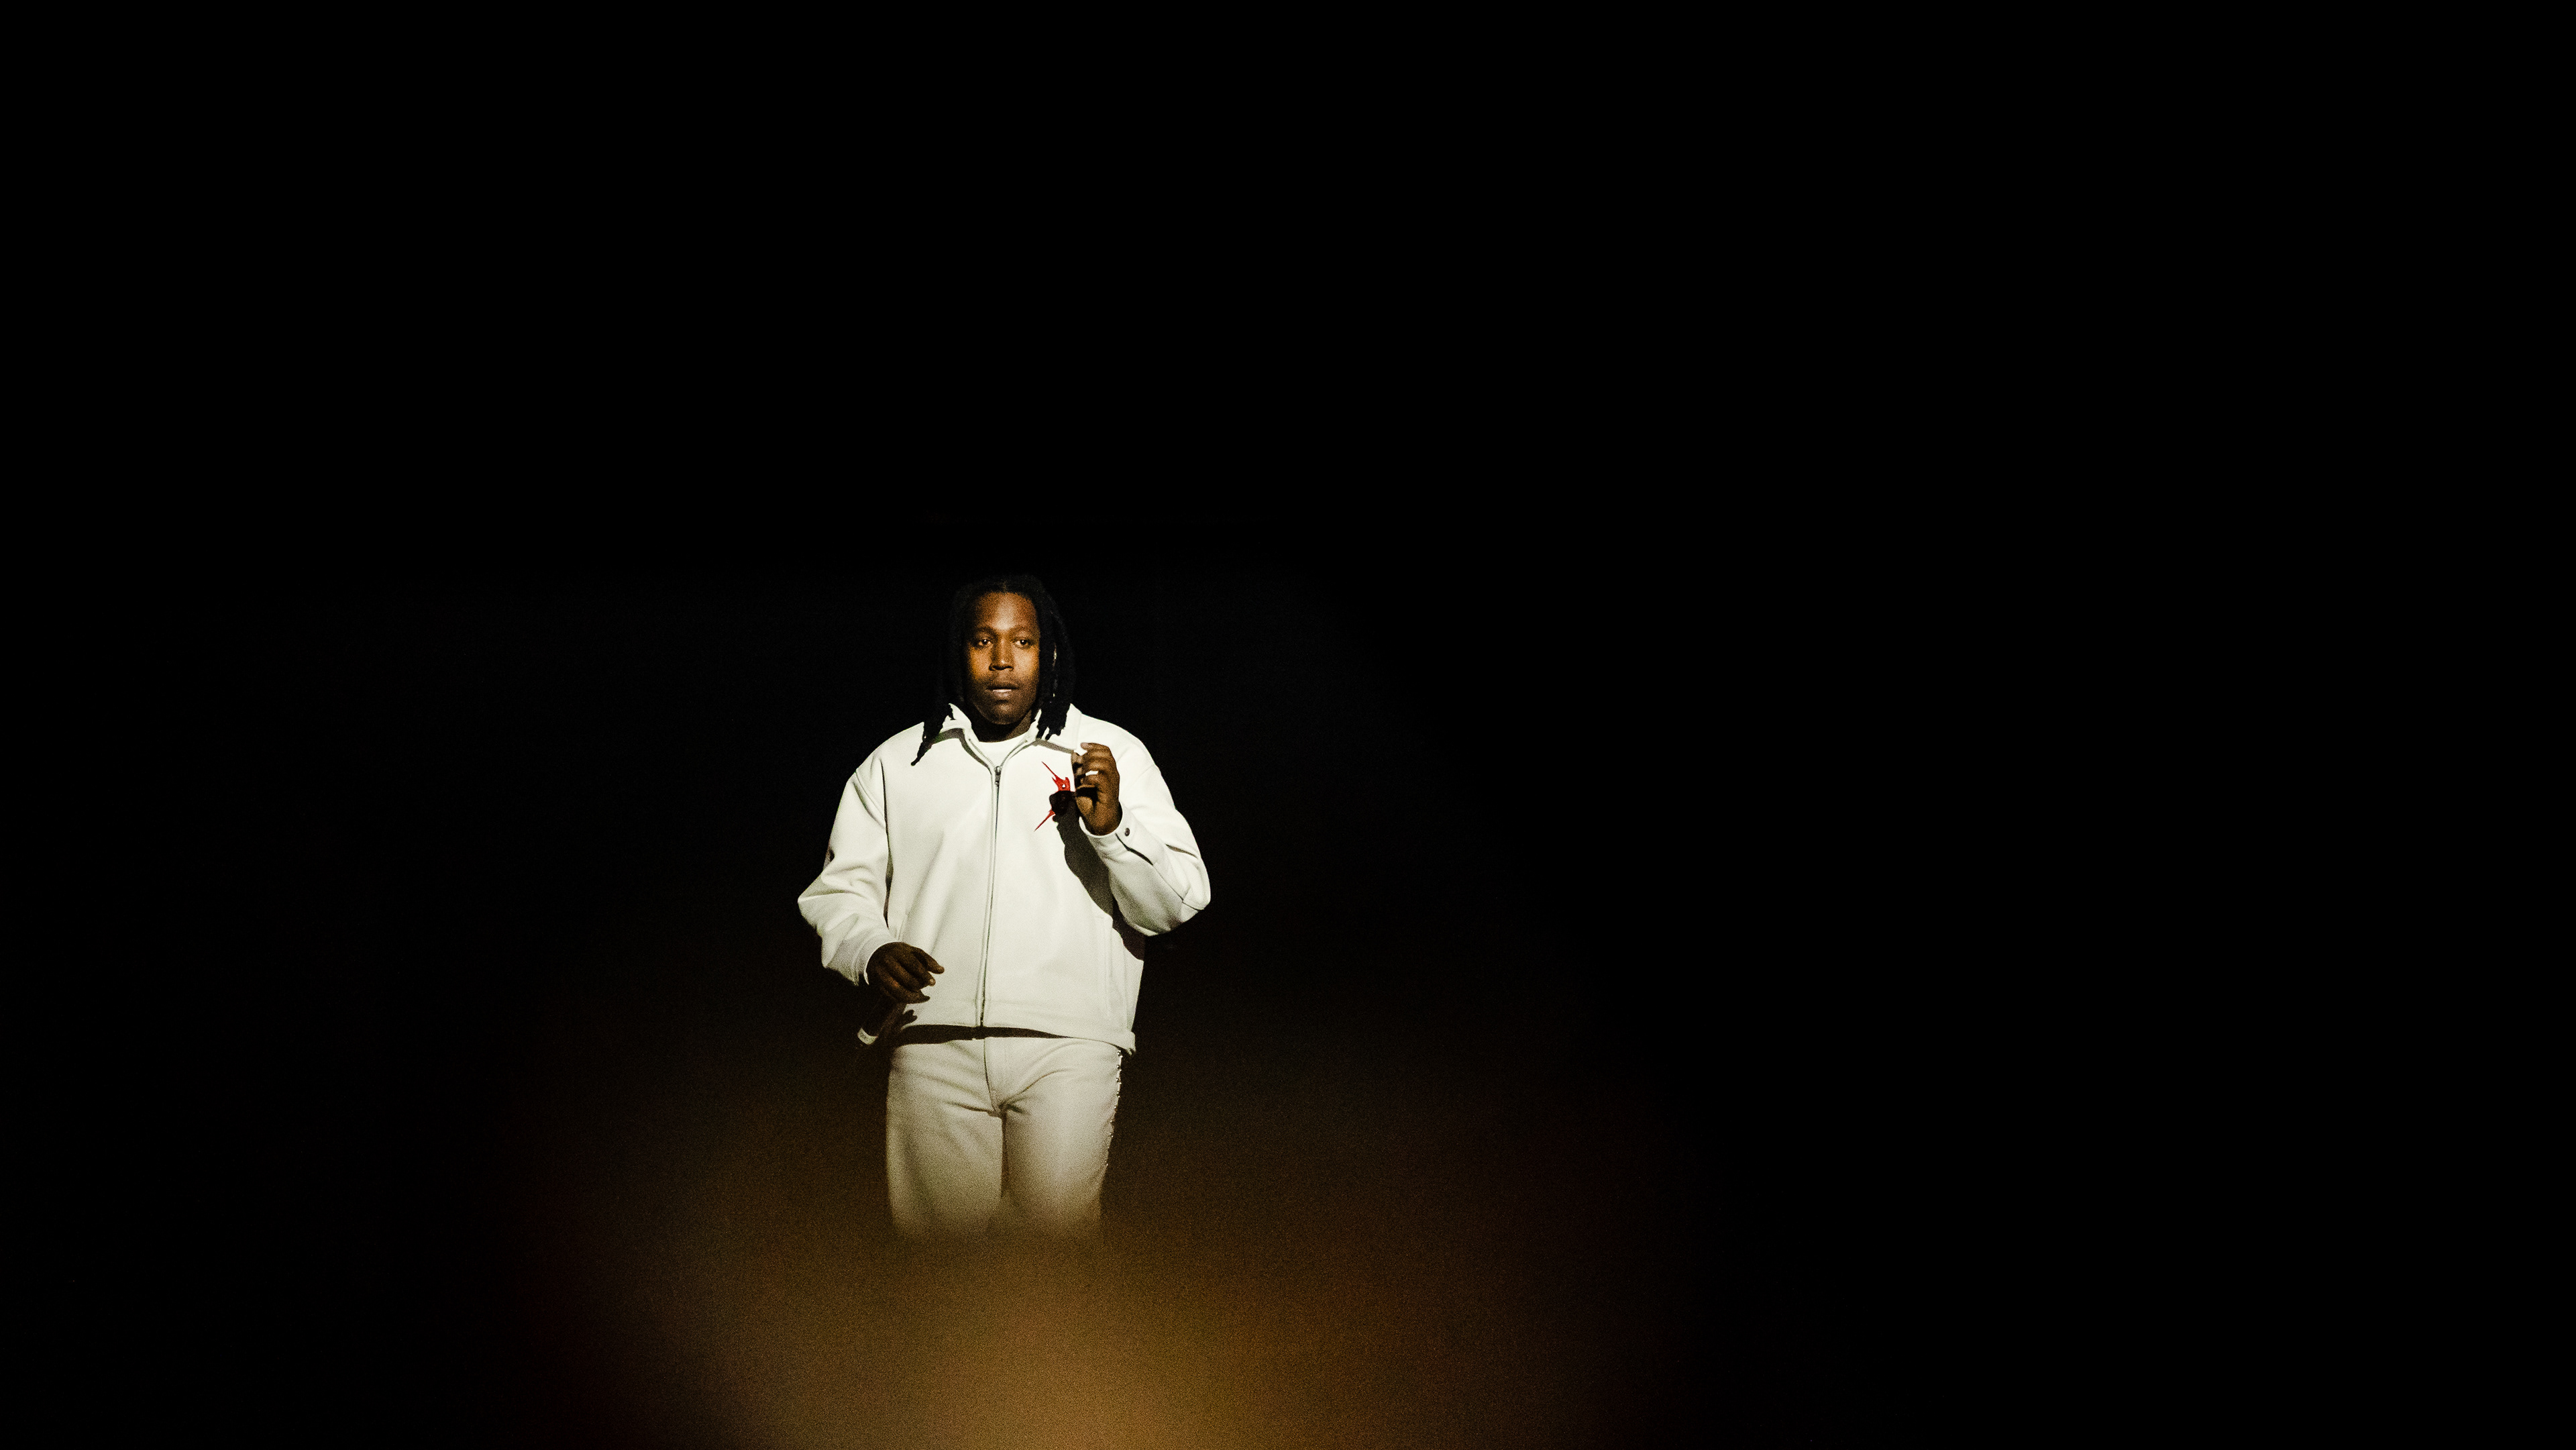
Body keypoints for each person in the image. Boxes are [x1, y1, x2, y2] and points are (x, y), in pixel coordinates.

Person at [797, 576, 1210, 1241]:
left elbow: (1178, 902)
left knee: (1052, 1244)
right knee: (938, 1253)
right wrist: (868, 948)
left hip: (1068, 1044)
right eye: (982, 640)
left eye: (1022, 641)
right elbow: (839, 891)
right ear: (957, 651)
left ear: (1049, 653)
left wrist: (1113, 829)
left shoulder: (1110, 754)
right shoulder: (897, 763)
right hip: (931, 1039)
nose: (1001, 660)